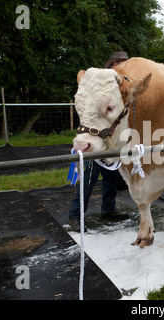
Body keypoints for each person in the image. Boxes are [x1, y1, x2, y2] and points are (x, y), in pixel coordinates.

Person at [68, 51, 130, 232]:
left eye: (123, 64)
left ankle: (108, 209)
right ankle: (75, 215)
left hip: (112, 141)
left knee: (112, 177)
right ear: (109, 66)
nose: (119, 67)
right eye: (116, 63)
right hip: (94, 140)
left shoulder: (122, 89)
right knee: (88, 179)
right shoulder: (95, 86)